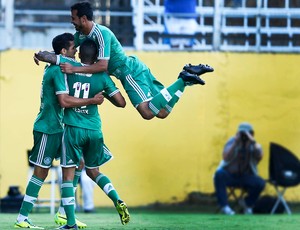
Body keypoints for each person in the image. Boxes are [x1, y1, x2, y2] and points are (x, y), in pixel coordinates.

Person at [34, 1, 214, 121]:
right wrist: (42, 55)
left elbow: (103, 65)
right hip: (134, 67)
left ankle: (183, 78)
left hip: (128, 72)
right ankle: (184, 80)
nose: (71, 22)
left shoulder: (101, 34)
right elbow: (65, 52)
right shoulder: (82, 35)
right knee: (163, 111)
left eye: (73, 18)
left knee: (146, 112)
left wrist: (74, 70)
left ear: (83, 18)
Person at [14, 33, 104, 229]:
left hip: (60, 128)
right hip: (48, 128)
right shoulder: (56, 70)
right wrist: (92, 100)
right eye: (73, 48)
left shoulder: (61, 67)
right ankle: (22, 218)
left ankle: (64, 214)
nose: (76, 51)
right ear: (64, 52)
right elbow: (64, 101)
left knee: (78, 162)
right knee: (41, 172)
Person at [56, 37, 129, 229]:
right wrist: (103, 91)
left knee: (68, 177)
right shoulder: (103, 77)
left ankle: (70, 223)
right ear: (97, 56)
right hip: (94, 130)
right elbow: (121, 102)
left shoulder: (70, 69)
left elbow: (54, 61)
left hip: (73, 129)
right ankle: (116, 199)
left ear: (79, 54)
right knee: (93, 171)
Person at [214, 122, 266, 215]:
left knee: (260, 183)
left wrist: (252, 141)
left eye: (247, 133)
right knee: (219, 174)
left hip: (245, 177)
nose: (244, 136)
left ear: (252, 134)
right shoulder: (232, 141)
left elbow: (260, 156)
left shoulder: (254, 145)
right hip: (230, 175)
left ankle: (247, 203)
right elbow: (225, 157)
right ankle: (224, 207)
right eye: (242, 133)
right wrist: (235, 142)